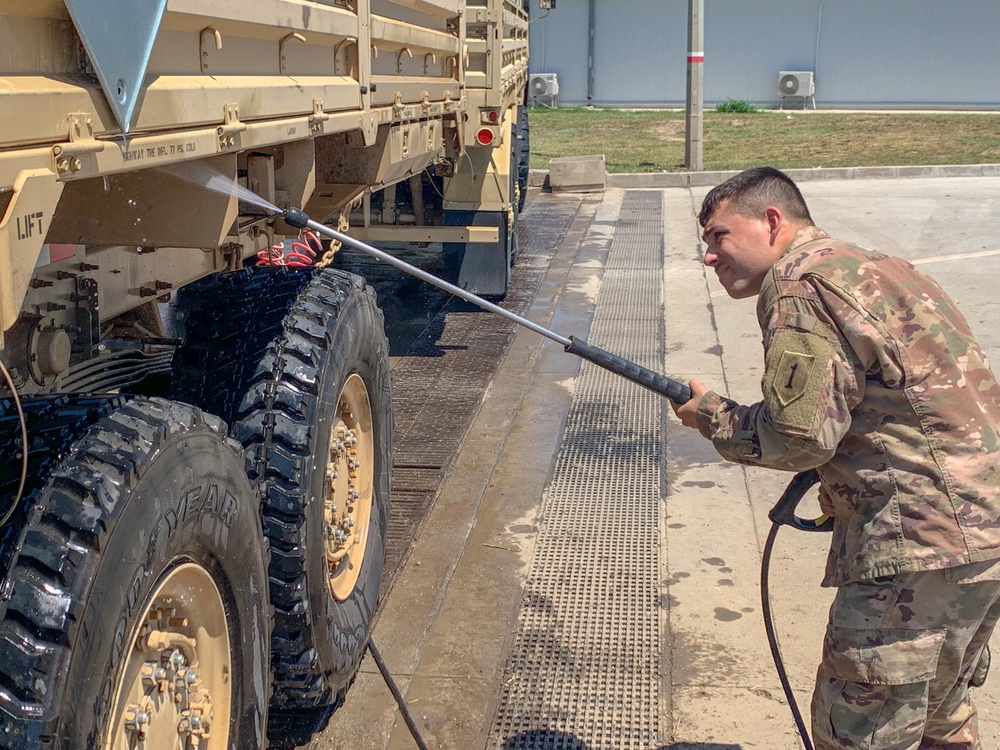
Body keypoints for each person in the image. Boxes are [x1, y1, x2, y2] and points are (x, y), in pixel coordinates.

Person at [671, 166, 1000, 749]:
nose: (709, 256)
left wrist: (712, 416)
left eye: (718, 236)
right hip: (981, 535)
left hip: (916, 547)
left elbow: (799, 437)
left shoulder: (801, 286)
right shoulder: (879, 266)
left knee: (863, 731)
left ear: (772, 221)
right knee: (939, 718)